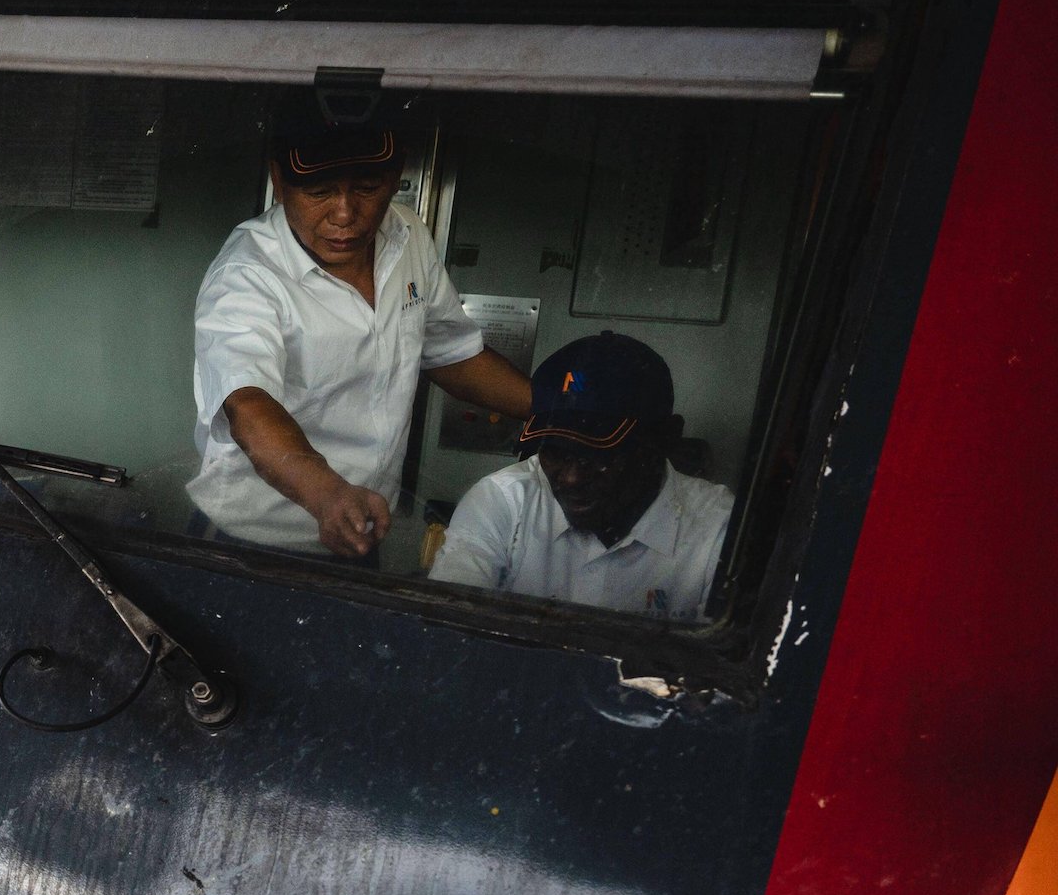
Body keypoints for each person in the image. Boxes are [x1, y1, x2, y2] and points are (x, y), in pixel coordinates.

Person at [189, 104, 532, 557]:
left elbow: (453, 353)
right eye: (319, 191)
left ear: (395, 177)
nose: (346, 214)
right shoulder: (246, 273)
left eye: (367, 188)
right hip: (255, 541)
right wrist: (328, 494)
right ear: (279, 180)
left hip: (361, 528)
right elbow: (249, 407)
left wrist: (561, 414)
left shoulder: (407, 234)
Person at [430, 332, 733, 621]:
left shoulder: (718, 528)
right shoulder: (502, 499)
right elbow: (447, 628)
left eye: (599, 455)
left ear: (666, 438)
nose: (572, 478)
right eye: (554, 452)